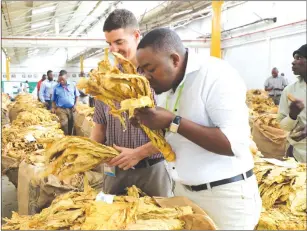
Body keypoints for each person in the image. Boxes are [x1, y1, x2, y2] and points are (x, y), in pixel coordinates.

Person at [133, 28, 261, 229]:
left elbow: (233, 144)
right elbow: (176, 139)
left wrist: (172, 122)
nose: (145, 76)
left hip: (224, 198)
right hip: (183, 193)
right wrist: (149, 124)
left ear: (175, 60)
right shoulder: (165, 86)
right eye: (141, 70)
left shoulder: (216, 75)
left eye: (150, 68)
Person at [91, 9, 172, 197]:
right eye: (109, 43)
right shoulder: (106, 80)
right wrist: (88, 155)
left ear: (136, 36)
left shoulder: (158, 76)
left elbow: (173, 129)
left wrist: (139, 153)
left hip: (153, 169)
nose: (114, 49)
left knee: (157, 220)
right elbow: (99, 127)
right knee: (111, 221)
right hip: (115, 170)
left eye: (119, 42)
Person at [277, 44, 307, 162]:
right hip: (298, 153)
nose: (293, 62)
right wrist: (292, 115)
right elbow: (281, 125)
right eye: (294, 58)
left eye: (298, 58)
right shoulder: (290, 90)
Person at [51, 70, 79, 135]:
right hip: (61, 109)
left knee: (72, 124)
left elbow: (77, 96)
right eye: (60, 80)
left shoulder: (72, 85)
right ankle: (65, 138)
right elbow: (53, 99)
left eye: (63, 79)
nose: (61, 81)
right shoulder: (56, 87)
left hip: (72, 109)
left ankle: (71, 138)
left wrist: (75, 105)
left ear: (66, 77)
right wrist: (53, 107)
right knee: (64, 124)